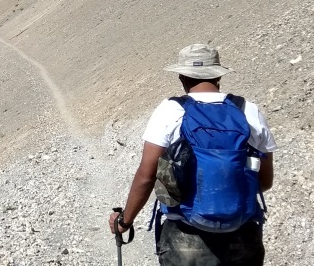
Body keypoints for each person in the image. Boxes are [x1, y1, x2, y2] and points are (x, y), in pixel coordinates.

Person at [109, 43, 276, 266]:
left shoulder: (171, 110)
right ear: (218, 76)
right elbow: (264, 181)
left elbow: (147, 175)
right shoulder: (248, 110)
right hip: (242, 237)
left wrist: (125, 221)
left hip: (186, 238)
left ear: (182, 77)